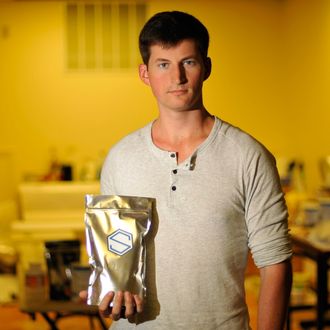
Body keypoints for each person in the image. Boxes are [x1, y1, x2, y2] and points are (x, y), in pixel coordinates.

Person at [84, 10, 292, 329]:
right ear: (145, 73)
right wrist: (112, 294)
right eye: (163, 64)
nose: (177, 77)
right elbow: (114, 262)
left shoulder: (249, 156)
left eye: (189, 62)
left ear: (206, 67)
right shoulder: (120, 158)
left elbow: (275, 263)